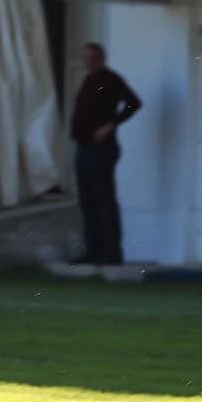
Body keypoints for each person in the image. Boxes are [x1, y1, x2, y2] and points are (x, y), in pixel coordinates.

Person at [69, 42, 142, 266]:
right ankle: (93, 249)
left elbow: (133, 103)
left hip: (100, 147)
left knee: (104, 198)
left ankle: (111, 252)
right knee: (87, 199)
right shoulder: (88, 81)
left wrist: (111, 125)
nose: (89, 62)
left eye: (93, 58)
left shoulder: (110, 79)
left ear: (102, 58)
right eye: (86, 58)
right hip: (83, 145)